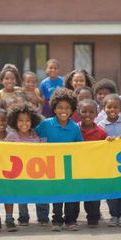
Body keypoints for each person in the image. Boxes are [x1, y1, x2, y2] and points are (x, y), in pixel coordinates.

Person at [35, 88, 84, 231]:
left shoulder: (75, 127)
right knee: (56, 195)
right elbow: (33, 136)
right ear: (54, 108)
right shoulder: (46, 124)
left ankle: (71, 220)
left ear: (72, 110)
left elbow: (81, 147)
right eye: (60, 107)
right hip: (51, 167)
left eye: (67, 108)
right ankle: (56, 220)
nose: (64, 110)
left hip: (69, 168)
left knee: (71, 196)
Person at [6, 102, 49, 226]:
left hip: (36, 170)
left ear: (33, 121)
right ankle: (23, 218)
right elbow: (6, 152)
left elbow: (42, 150)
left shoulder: (35, 136)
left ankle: (43, 217)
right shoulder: (11, 136)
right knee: (22, 196)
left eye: (27, 120)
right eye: (20, 120)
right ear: (15, 121)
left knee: (41, 193)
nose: (24, 123)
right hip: (20, 172)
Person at [98, 94, 121, 227]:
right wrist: (105, 141)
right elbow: (97, 144)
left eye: (115, 107)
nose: (112, 109)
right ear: (103, 108)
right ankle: (114, 215)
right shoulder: (100, 125)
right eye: (109, 107)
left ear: (120, 109)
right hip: (108, 164)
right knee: (111, 191)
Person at [77, 99, 107, 228]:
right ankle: (72, 217)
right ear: (78, 112)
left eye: (91, 112)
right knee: (75, 195)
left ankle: (93, 218)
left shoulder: (101, 132)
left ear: (96, 113)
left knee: (93, 196)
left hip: (94, 170)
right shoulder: (74, 129)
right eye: (84, 111)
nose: (87, 114)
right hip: (76, 169)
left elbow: (106, 150)